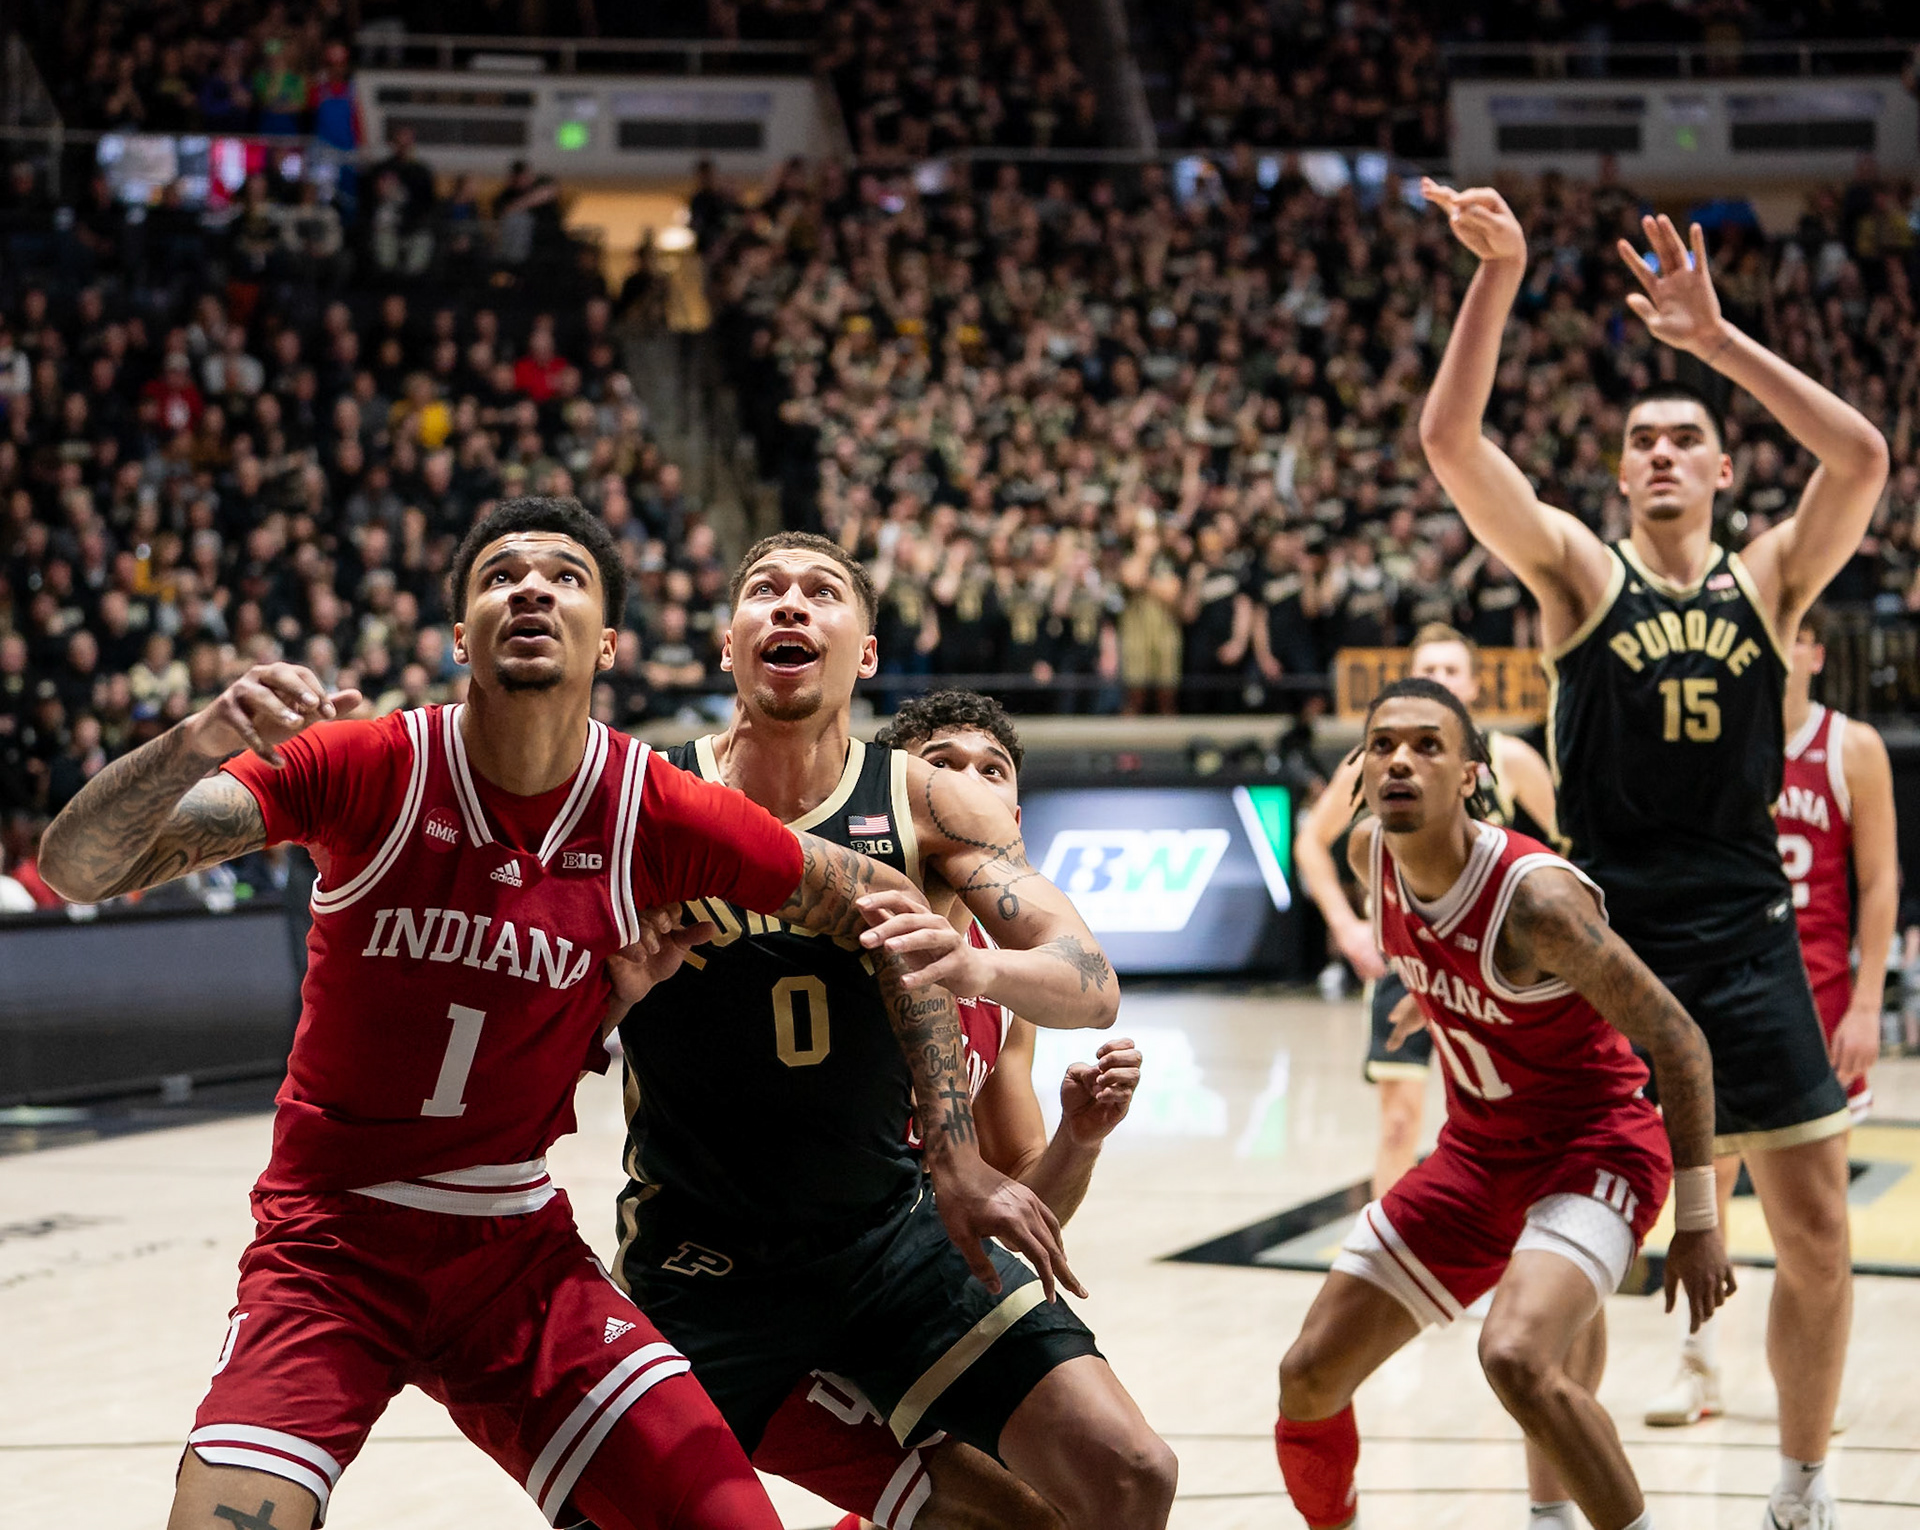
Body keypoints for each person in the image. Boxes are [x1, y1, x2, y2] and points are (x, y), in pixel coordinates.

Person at [37, 499, 1056, 1530]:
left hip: (513, 1254)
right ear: (459, 634)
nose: (529, 586)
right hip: (330, 1246)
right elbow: (76, 867)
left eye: (564, 575)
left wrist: (959, 1153)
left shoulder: (649, 806)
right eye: (498, 576)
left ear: (608, 639)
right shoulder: (369, 763)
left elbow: (887, 911)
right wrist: (196, 741)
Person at [1419, 182, 1888, 1529]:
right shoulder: (1579, 574)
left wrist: (1720, 345)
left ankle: (1798, 1492)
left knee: (1813, 1232)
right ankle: (1556, 1507)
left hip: (1748, 937)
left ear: (1725, 472)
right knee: (1575, 1254)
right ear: (1621, 474)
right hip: (1609, 945)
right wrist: (1498, 275)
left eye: (1690, 439)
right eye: (1646, 441)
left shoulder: (1770, 580)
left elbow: (1857, 455)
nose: (1669, 452)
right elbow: (1451, 439)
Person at [608, 532, 1177, 1530]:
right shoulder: (644, 798)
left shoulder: (925, 803)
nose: (791, 606)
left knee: (1131, 1470)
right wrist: (607, 992)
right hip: (703, 1266)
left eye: (823, 592)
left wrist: (976, 965)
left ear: (865, 650)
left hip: (889, 1242)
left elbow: (1089, 981)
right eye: (765, 591)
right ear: (727, 640)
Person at [1275, 678, 1734, 1530]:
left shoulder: (1538, 903)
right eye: (1382, 745)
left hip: (1596, 1151)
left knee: (1517, 1355)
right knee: (1307, 1374)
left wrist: (1699, 1221)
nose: (1401, 760)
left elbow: (1679, 1041)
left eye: (1428, 745)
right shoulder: (1369, 856)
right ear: (1358, 771)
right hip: (1479, 1156)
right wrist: (1431, 994)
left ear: (1472, 776)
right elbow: (1437, 952)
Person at [746, 688, 1144, 1530]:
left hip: (912, 1279)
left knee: (1120, 1476)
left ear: (1013, 815)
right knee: (1010, 1515)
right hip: (781, 1278)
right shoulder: (821, 929)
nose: (970, 784)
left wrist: (1081, 1137)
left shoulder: (1002, 995)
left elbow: (1016, 1219)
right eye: (943, 767)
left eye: (990, 770)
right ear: (901, 797)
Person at [1646, 605, 1898, 1429]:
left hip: (1819, 1006)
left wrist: (1867, 1002)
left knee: (1813, 1218)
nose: (1775, 648)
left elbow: (1880, 881)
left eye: (1790, 632)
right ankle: (1698, 1365)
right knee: (1701, 1200)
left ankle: (1808, 1387)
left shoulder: (1849, 747)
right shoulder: (1715, 740)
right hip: (1722, 996)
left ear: (1815, 650)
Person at [1294, 622, 1556, 1197]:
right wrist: (1347, 926)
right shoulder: (1376, 761)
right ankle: (1390, 1263)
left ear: (1474, 685)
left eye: (1451, 671)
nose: (1440, 681)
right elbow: (1312, 841)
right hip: (1406, 959)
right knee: (1397, 1123)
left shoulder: (1509, 759)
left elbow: (1570, 847)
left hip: (1492, 967)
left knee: (1508, 1121)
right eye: (1428, 671)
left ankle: (1513, 1255)